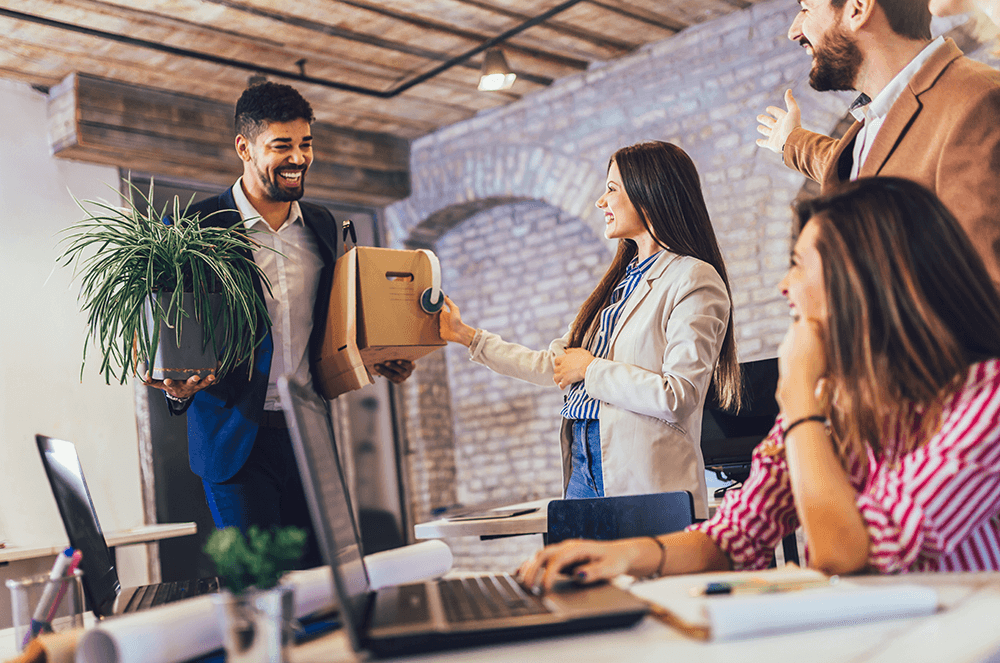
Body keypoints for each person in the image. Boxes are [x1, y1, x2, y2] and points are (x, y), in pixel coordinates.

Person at [518, 177, 1000, 592]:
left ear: (864, 280)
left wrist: (797, 401)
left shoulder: (986, 398)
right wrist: (623, 557)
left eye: (798, 264)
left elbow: (851, 554)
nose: (783, 286)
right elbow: (732, 537)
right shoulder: (837, 404)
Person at [143, 82, 413, 566]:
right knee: (262, 588)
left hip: (310, 429)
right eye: (281, 146)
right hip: (234, 441)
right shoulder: (193, 229)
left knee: (328, 583)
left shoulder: (324, 226)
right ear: (244, 148)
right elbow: (174, 335)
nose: (298, 158)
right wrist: (175, 388)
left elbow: (334, 320)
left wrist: (377, 356)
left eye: (306, 144)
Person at [438, 141, 741, 519]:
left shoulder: (693, 277)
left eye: (612, 189)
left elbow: (677, 396)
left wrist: (590, 370)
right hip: (583, 462)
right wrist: (466, 335)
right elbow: (555, 366)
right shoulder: (618, 283)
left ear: (649, 193)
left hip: (642, 472)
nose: (601, 201)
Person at [755, 0, 1000, 284]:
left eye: (806, 9)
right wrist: (791, 141)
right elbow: (878, 175)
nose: (794, 32)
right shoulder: (879, 119)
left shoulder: (977, 101)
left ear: (858, 8)